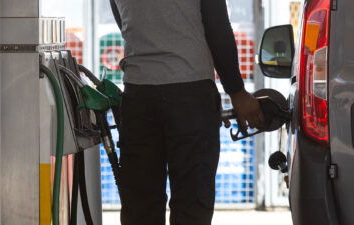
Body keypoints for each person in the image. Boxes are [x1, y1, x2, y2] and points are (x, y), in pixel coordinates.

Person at [109, 0, 264, 225]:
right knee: (192, 202)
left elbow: (124, 23)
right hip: (190, 92)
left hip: (139, 94)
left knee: (141, 203)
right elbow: (217, 26)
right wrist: (237, 92)